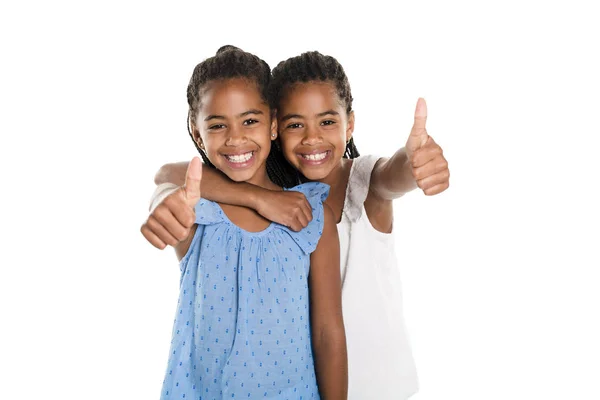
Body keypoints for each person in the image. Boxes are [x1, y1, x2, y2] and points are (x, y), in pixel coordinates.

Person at [143, 50, 450, 399]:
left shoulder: (352, 187)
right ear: (278, 128)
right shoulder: (282, 203)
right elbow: (168, 177)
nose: (312, 138)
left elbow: (389, 176)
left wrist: (413, 164)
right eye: (295, 124)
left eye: (327, 121)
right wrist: (258, 198)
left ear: (350, 124)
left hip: (379, 384)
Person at [151, 46, 347, 399]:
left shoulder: (312, 217)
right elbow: (166, 177)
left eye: (250, 120)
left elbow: (327, 333)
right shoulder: (197, 213)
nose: (236, 138)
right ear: (197, 135)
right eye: (217, 125)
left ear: (272, 125)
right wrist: (259, 198)